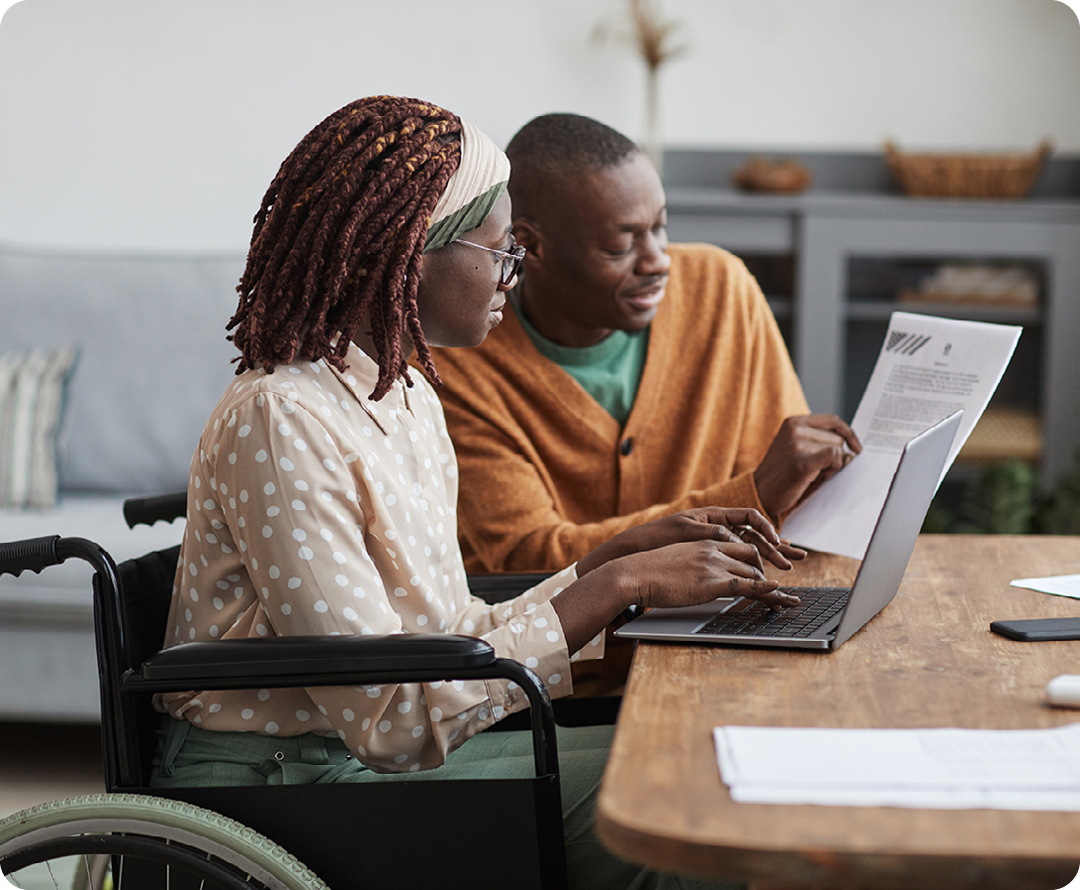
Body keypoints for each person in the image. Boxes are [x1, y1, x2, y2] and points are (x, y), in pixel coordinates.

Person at [149, 95, 804, 889]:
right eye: (502, 253)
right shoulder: (282, 419)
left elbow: (451, 633)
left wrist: (614, 563)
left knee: (705, 757)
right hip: (293, 780)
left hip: (372, 756)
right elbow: (386, 717)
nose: (515, 273)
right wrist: (617, 586)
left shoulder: (405, 392)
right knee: (691, 802)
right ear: (408, 256)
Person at [430, 112, 861, 575]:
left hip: (726, 615)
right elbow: (527, 560)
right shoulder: (455, 361)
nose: (658, 262)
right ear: (532, 247)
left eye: (660, 227)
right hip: (563, 645)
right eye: (621, 247)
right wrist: (751, 497)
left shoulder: (721, 290)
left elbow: (797, 503)